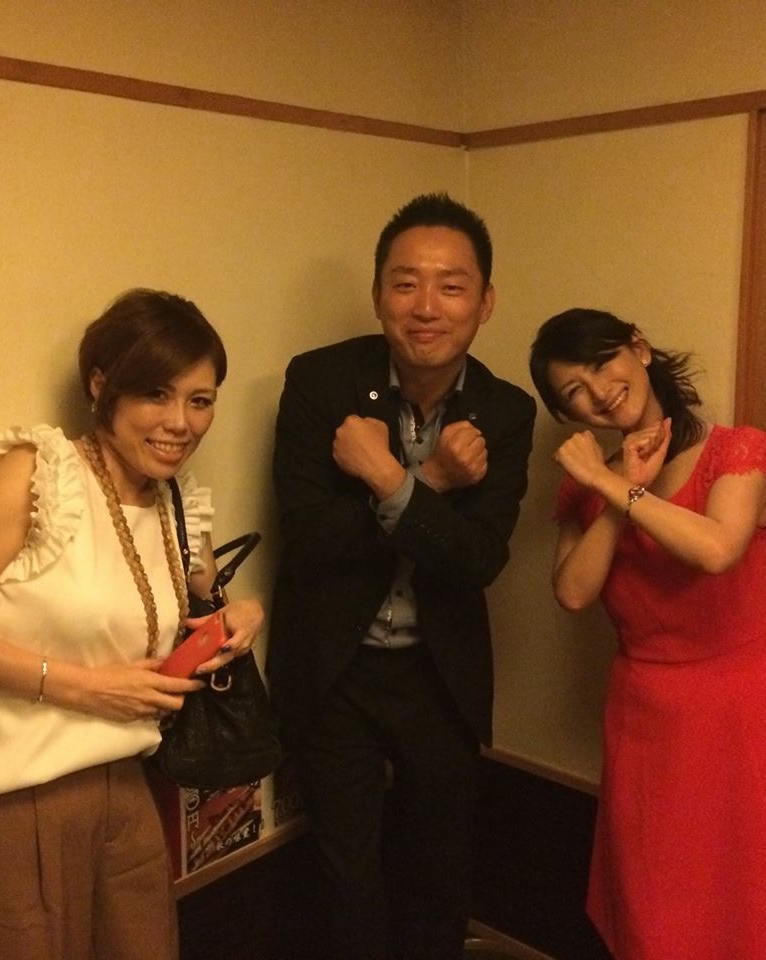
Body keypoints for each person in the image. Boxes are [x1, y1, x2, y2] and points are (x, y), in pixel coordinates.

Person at [0, 288, 264, 960]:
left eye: (200, 400)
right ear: (101, 385)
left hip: (127, 784)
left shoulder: (178, 502)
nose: (179, 422)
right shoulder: (42, 475)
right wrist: (83, 687)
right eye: (155, 394)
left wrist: (243, 611)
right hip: (18, 792)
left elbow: (207, 597)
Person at [530, 308, 766, 960]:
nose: (599, 392)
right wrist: (616, 488)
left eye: (603, 364)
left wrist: (610, 485)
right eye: (574, 391)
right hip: (648, 714)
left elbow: (716, 549)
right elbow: (572, 592)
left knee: (757, 887)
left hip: (750, 706)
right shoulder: (591, 488)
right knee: (660, 895)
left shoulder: (739, 448)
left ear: (640, 349)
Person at [267, 193, 536, 960]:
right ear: (378, 292)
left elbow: (478, 560)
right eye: (406, 282)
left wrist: (388, 479)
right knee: (345, 879)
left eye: (451, 286)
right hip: (336, 669)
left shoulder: (504, 411)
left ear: (484, 302)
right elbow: (311, 542)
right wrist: (433, 484)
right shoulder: (320, 381)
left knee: (439, 875)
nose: (426, 306)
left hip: (438, 674)